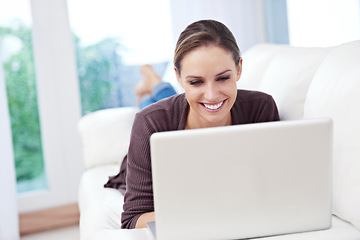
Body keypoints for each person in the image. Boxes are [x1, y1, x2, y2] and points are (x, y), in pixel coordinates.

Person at [104, 19, 280, 229]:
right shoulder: (149, 123)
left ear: (239, 68)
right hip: (159, 128)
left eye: (223, 78)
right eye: (195, 81)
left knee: (195, 103)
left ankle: (152, 83)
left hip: (184, 108)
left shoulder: (260, 108)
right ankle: (148, 86)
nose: (212, 94)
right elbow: (133, 220)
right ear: (178, 76)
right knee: (156, 107)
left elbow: (272, 190)